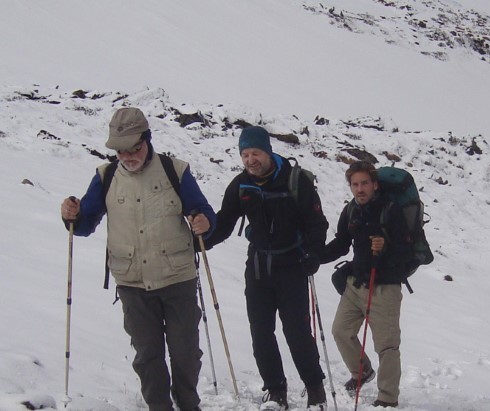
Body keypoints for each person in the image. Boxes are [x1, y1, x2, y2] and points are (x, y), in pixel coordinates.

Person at [60, 107, 216, 411]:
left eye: (135, 148)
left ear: (148, 140)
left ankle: (188, 404)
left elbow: (203, 212)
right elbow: (84, 224)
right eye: (121, 151)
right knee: (148, 355)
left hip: (178, 279)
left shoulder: (175, 171)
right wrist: (71, 216)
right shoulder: (105, 177)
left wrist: (204, 223)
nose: (128, 156)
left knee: (185, 352)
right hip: (132, 282)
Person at [206, 126, 327, 409]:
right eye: (245, 154)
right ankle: (275, 390)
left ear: (268, 151)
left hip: (293, 264)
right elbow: (224, 222)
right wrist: (201, 241)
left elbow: (316, 223)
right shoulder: (241, 185)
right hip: (259, 265)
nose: (250, 160)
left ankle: (315, 386)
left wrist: (314, 253)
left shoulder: (295, 181)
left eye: (256, 153)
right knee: (261, 331)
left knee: (296, 331)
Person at [321, 161, 411, 408]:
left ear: (374, 184)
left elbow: (406, 250)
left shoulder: (390, 210)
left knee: (387, 346)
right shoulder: (351, 210)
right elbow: (341, 243)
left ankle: (387, 398)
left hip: (385, 288)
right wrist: (315, 256)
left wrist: (385, 247)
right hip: (356, 283)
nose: (359, 189)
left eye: (364, 183)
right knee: (341, 331)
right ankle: (361, 373)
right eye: (355, 184)